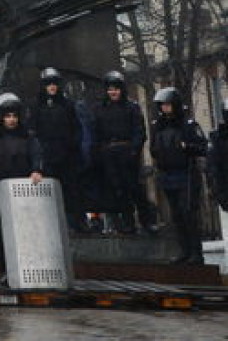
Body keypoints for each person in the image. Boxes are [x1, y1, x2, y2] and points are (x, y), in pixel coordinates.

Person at [0, 93, 44, 277]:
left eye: (14, 116)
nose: (12, 120)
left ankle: (31, 266)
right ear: (1, 117)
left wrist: (36, 170)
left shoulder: (28, 136)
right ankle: (7, 269)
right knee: (4, 232)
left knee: (29, 229)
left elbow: (37, 155)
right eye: (8, 116)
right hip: (2, 190)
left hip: (25, 190)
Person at [93, 70, 157, 234]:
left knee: (135, 188)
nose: (112, 92)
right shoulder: (100, 109)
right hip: (109, 153)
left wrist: (134, 150)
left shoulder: (131, 107)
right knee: (118, 190)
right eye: (109, 89)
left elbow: (139, 131)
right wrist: (101, 151)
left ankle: (146, 221)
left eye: (115, 89)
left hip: (127, 151)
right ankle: (127, 222)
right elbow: (96, 132)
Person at [149, 87, 207, 264]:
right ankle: (184, 250)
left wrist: (187, 147)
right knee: (176, 216)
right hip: (167, 176)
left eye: (167, 105)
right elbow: (153, 148)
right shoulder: (158, 125)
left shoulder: (187, 124)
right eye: (162, 106)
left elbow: (203, 147)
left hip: (186, 175)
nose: (165, 109)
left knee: (188, 213)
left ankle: (196, 252)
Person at [30, 67, 86, 230]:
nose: (52, 87)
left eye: (54, 84)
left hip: (67, 154)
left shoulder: (67, 105)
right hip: (46, 155)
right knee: (47, 191)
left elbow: (76, 128)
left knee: (71, 191)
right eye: (49, 84)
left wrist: (73, 145)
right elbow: (32, 131)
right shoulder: (36, 106)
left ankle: (76, 223)